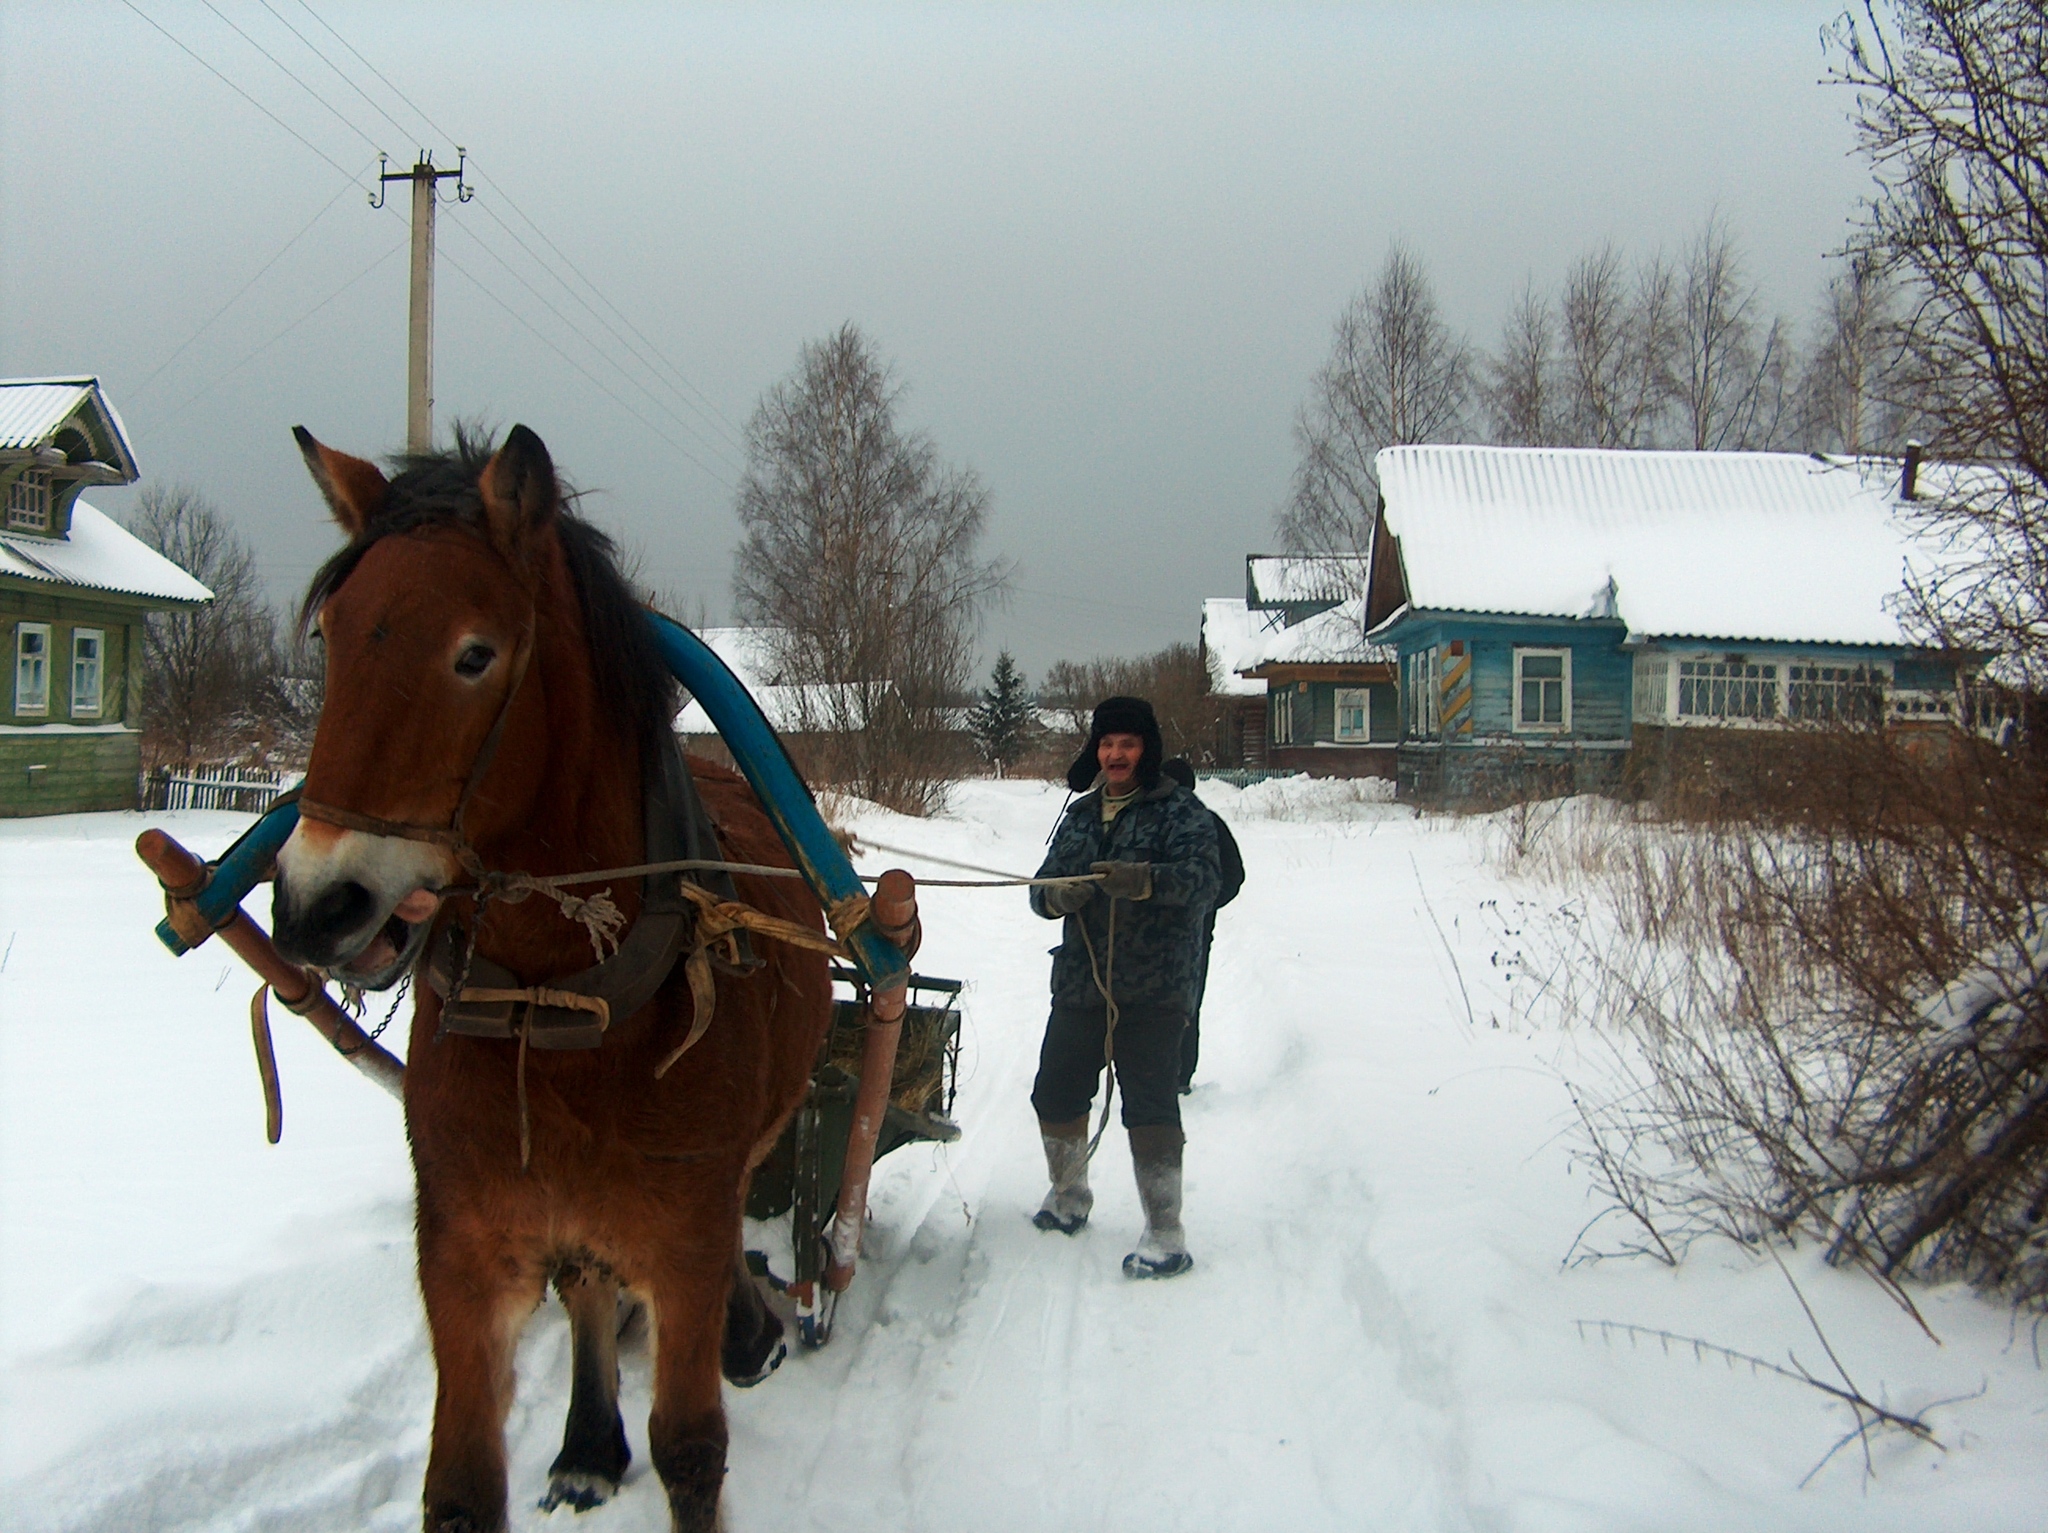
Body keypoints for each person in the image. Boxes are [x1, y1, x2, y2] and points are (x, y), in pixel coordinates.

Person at [1028, 696, 1220, 1279]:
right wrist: (1057, 895)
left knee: (1151, 1106)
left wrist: (1144, 881)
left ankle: (1166, 1232)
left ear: (1146, 751)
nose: (1116, 754)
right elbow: (1039, 889)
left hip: (1155, 986)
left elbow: (1206, 879)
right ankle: (1068, 1198)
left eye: (1128, 744)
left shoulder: (1180, 811)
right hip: (1082, 981)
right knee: (1055, 1093)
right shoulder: (1082, 815)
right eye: (1108, 744)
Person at [1159, 757, 1243, 1093]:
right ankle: (1161, 1074)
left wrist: (1201, 906)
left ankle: (1179, 1078)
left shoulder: (1208, 824)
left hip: (1192, 935)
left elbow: (1233, 877)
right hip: (1143, 934)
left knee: (1184, 1004)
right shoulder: (1150, 823)